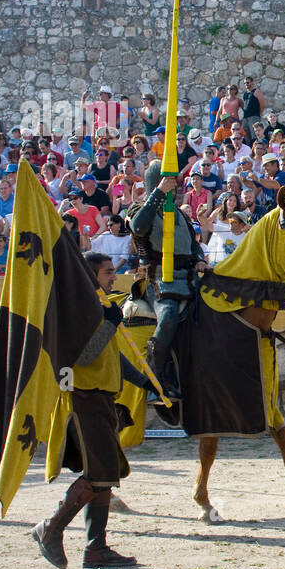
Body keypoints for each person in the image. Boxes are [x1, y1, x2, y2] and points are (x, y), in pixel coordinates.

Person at [29, 252, 152, 569]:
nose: (115, 277)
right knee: (100, 473)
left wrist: (144, 381)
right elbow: (85, 356)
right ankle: (51, 529)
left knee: (105, 475)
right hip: (86, 398)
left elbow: (113, 357)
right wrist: (109, 324)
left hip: (103, 398)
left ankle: (96, 549)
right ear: (90, 276)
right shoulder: (80, 312)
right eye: (108, 272)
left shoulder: (101, 308)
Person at [128, 162, 208, 398]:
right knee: (169, 315)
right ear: (157, 182)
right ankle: (155, 377)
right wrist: (159, 193)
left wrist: (200, 259)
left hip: (189, 277)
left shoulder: (181, 215)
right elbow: (139, 228)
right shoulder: (138, 208)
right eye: (169, 182)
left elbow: (194, 247)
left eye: (174, 183)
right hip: (158, 279)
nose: (175, 187)